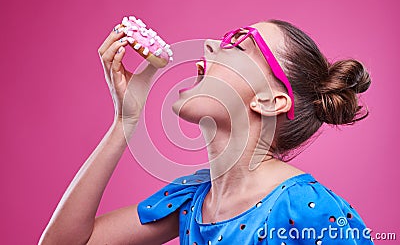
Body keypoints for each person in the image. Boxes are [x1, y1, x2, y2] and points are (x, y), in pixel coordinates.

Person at [39, 19, 373, 244]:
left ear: (270, 101)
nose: (212, 44)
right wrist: (124, 123)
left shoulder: (308, 208)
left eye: (240, 47)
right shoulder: (192, 198)